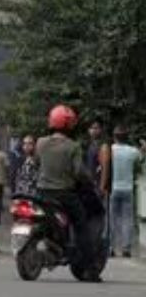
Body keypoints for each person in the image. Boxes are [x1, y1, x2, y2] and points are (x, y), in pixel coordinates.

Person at [35, 105, 97, 265]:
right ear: (69, 124)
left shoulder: (40, 142)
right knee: (81, 224)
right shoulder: (73, 146)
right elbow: (79, 172)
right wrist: (90, 181)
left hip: (41, 193)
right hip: (64, 194)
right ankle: (88, 266)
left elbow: (37, 163)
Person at [109, 126, 142, 258]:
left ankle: (111, 247)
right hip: (128, 188)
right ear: (127, 137)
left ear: (114, 137)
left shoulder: (110, 149)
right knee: (127, 219)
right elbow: (140, 159)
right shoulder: (132, 151)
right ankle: (126, 248)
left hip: (113, 188)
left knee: (112, 218)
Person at [87, 119, 112, 200]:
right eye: (91, 128)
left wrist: (102, 188)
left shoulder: (103, 146)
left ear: (101, 130)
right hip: (92, 185)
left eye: (96, 128)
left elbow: (105, 168)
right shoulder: (91, 145)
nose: (93, 130)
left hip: (99, 187)